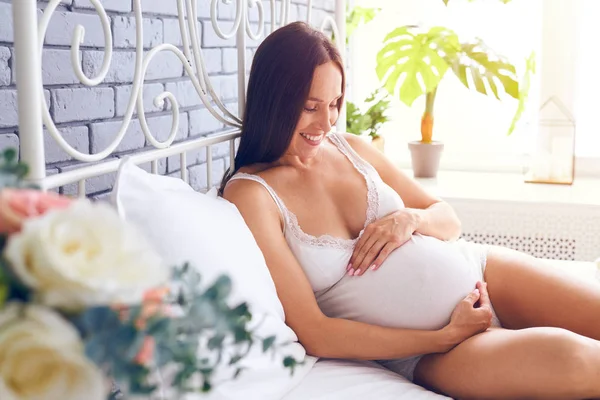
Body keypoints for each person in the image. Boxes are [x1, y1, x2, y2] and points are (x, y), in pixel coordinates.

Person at [220, 21, 600, 399]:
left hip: (483, 273)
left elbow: (448, 219)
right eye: (309, 107)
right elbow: (316, 331)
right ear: (275, 101)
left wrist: (409, 218)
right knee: (581, 363)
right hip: (439, 349)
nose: (326, 122)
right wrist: (442, 336)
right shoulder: (253, 196)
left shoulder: (351, 147)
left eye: (335, 104)